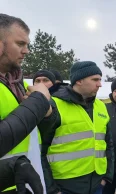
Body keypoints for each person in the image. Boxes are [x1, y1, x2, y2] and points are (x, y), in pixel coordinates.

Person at [38, 61, 114, 194]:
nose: (100, 84)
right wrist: (52, 189)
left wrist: (107, 176)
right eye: (95, 79)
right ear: (79, 81)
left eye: (100, 80)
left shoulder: (101, 106)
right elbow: (39, 151)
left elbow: (108, 144)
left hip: (97, 184)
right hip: (65, 186)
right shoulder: (54, 106)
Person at [0, 13, 52, 193]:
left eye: (27, 45)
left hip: (25, 181)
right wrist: (38, 102)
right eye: (20, 44)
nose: (27, 51)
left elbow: (39, 133)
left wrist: (48, 113)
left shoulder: (18, 83)